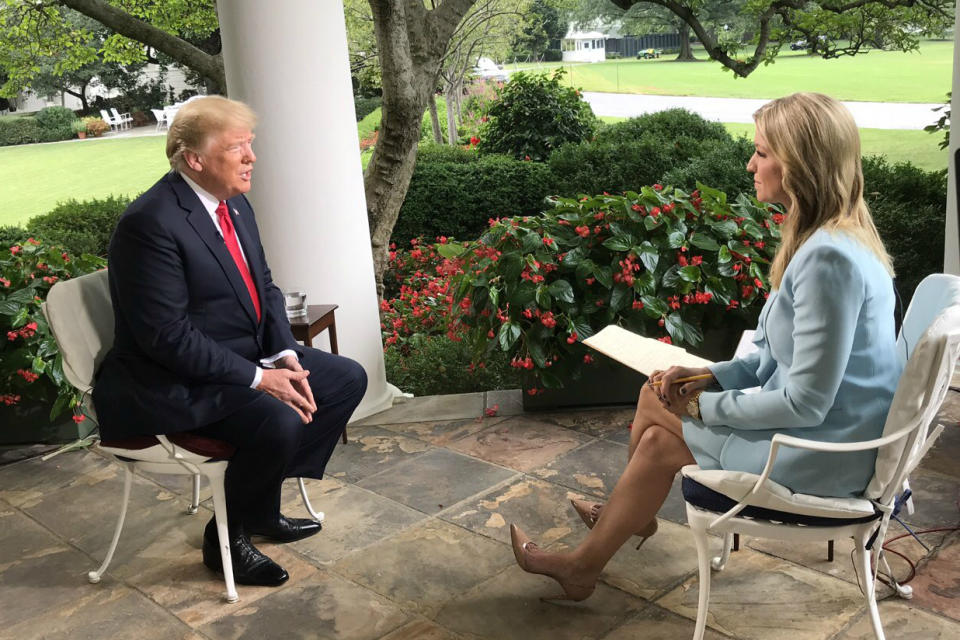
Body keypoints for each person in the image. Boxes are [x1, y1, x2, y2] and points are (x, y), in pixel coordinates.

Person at [510, 92, 902, 602]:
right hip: (827, 432)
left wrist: (703, 405)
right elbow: (771, 357)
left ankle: (599, 549)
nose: (750, 164)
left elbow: (806, 402)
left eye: (762, 153)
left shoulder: (830, 259)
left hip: (820, 453)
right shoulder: (831, 240)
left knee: (658, 437)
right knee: (658, 392)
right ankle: (619, 529)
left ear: (800, 164)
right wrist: (708, 378)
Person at [93, 96, 367, 587]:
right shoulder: (149, 224)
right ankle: (226, 538)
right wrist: (262, 378)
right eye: (236, 146)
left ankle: (257, 503)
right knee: (278, 420)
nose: (251, 157)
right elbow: (167, 338)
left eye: (251, 144)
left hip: (238, 356)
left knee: (346, 379)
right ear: (194, 159)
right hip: (170, 377)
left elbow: (265, 287)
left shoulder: (234, 203)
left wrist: (284, 354)